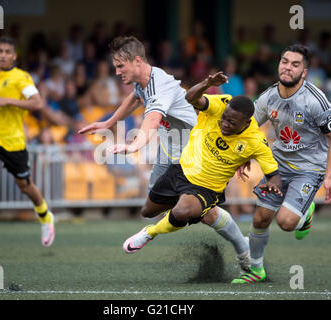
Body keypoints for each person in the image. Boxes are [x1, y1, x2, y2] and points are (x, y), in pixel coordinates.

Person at [79, 36, 251, 272]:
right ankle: (199, 213)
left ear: (137, 61)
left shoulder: (161, 86)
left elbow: (151, 121)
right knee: (150, 209)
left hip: (195, 155)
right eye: (115, 66)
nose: (117, 72)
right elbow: (136, 97)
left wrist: (133, 145)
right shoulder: (143, 80)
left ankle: (241, 246)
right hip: (169, 151)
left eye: (120, 66)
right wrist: (109, 122)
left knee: (197, 211)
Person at [122, 81, 282, 264]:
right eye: (224, 118)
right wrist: (207, 83)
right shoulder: (222, 104)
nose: (225, 124)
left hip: (208, 188)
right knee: (148, 211)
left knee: (183, 211)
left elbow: (274, 176)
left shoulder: (256, 141)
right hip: (181, 171)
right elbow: (191, 98)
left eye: (232, 122)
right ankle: (240, 245)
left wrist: (273, 185)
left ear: (247, 123)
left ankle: (151, 232)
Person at [230, 44, 331, 284]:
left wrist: (329, 176)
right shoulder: (268, 97)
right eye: (284, 61)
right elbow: (250, 128)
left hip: (309, 169)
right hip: (277, 166)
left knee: (286, 223)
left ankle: (305, 212)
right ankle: (256, 270)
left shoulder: (315, 102)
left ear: (304, 72)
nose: (288, 67)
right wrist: (245, 156)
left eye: (295, 64)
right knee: (260, 219)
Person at [0, 36, 55, 248]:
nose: (4, 55)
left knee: (24, 186)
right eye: (0, 51)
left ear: (14, 56)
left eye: (8, 52)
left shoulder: (20, 77)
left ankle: (45, 217)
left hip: (13, 142)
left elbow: (37, 102)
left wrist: (7, 100)